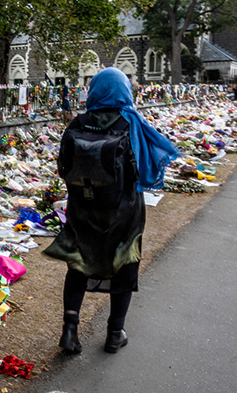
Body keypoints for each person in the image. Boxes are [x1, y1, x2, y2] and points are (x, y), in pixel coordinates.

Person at [44, 67, 179, 354]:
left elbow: (63, 169)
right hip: (123, 211)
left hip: (82, 209)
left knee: (78, 264)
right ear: (124, 91)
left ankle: (70, 332)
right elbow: (148, 170)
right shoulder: (132, 123)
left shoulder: (77, 123)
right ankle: (114, 334)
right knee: (124, 264)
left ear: (94, 91)